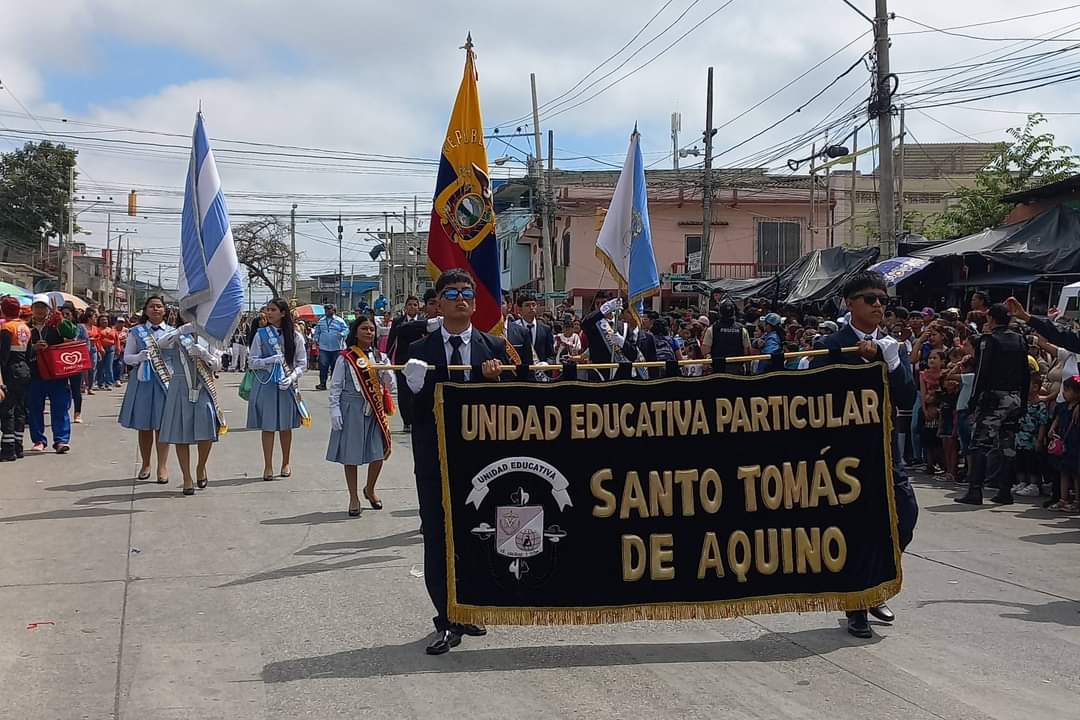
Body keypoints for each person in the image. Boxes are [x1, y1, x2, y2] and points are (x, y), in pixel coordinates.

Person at [402, 268, 509, 656]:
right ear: (438, 303)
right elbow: (410, 413)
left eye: (466, 293)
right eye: (451, 293)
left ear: (476, 303)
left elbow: (511, 410)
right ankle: (445, 618)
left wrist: (496, 383)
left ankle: (468, 608)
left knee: (477, 535)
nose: (460, 299)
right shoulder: (418, 350)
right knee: (437, 536)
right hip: (435, 459)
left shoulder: (493, 347)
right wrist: (416, 388)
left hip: (481, 464)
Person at [810, 271, 917, 639]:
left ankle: (876, 583)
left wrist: (892, 362)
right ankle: (857, 603)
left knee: (905, 516)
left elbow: (907, 397)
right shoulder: (831, 345)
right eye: (870, 299)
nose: (878, 306)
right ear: (850, 303)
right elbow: (816, 397)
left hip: (885, 449)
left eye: (883, 300)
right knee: (855, 528)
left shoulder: (893, 346)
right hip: (847, 452)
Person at [955, 304, 1030, 506]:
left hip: (994, 397)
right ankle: (1005, 491)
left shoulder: (989, 340)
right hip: (1015, 397)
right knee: (1008, 445)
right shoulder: (1019, 339)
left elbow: (982, 371)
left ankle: (975, 490)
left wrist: (973, 399)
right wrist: (1023, 400)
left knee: (979, 443)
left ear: (992, 319)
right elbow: (1025, 372)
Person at [327, 314, 395, 516]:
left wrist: (387, 373)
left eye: (372, 329)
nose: (369, 332)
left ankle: (370, 489)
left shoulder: (381, 357)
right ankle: (353, 497)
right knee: (351, 455)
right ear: (355, 332)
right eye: (364, 328)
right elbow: (336, 386)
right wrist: (334, 409)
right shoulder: (346, 357)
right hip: (351, 408)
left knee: (378, 453)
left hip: (374, 410)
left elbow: (391, 386)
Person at [156, 318, 224, 495]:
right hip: (180, 386)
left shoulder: (211, 337)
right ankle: (186, 477)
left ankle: (201, 466)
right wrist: (180, 331)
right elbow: (160, 344)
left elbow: (218, 365)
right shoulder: (178, 335)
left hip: (202, 385)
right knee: (181, 433)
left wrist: (204, 354)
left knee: (207, 429)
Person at [247, 298, 308, 481]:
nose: (269, 313)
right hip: (266, 384)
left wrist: (292, 377)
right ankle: (268, 465)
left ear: (283, 313)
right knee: (268, 426)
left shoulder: (295, 336)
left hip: (286, 384)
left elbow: (302, 363)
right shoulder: (260, 334)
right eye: (268, 309)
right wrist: (269, 360)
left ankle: (286, 462)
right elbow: (252, 361)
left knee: (285, 426)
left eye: (273, 309)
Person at [118, 296, 175, 482]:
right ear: (145, 310)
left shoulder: (173, 332)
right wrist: (139, 357)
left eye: (159, 306)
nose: (155, 309)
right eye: (152, 306)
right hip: (143, 381)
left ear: (165, 310)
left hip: (166, 382)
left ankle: (162, 467)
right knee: (144, 426)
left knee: (162, 426)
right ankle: (146, 463)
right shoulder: (136, 332)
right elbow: (127, 357)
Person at [26, 296, 76, 454]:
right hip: (34, 373)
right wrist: (33, 348)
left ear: (48, 309)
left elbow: (72, 333)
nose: (40, 310)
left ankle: (61, 440)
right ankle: (38, 440)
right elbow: (19, 349)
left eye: (43, 307)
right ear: (32, 309)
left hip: (56, 373)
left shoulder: (56, 325)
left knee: (60, 407)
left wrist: (60, 320)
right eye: (37, 307)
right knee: (34, 408)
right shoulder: (25, 327)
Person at [388, 290, 438, 432]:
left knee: (417, 391)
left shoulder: (424, 322)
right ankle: (406, 421)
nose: (412, 307)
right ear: (405, 307)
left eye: (415, 305)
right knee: (403, 391)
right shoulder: (398, 322)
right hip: (402, 361)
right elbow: (392, 340)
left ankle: (417, 418)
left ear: (419, 307)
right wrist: (387, 357)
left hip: (420, 361)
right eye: (409, 304)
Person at [0, 295, 31, 461]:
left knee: (7, 410)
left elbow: (3, 356)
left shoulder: (7, 328)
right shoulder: (25, 327)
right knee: (20, 409)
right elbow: (29, 353)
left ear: (3, 310)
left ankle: (8, 449)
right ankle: (18, 446)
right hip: (24, 370)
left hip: (10, 371)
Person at [702, 302, 751, 375]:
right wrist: (748, 371)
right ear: (734, 313)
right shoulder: (742, 330)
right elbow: (747, 352)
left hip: (717, 369)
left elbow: (706, 352)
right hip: (736, 369)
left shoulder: (712, 329)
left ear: (720, 313)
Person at [313, 303, 348, 391]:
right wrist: (316, 339)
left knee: (335, 367)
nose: (327, 311)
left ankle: (334, 384)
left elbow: (346, 329)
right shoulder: (321, 321)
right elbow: (317, 331)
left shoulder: (339, 320)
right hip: (324, 348)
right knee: (323, 366)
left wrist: (342, 334)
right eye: (326, 309)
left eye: (329, 309)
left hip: (336, 348)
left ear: (333, 310)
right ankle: (322, 384)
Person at [515, 291, 556, 364]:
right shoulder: (514, 328)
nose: (531, 308)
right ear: (520, 309)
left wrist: (546, 364)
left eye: (533, 305)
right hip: (521, 369)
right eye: (527, 305)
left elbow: (551, 356)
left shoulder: (546, 329)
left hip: (541, 369)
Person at [95, 314, 117, 390]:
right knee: (100, 367)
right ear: (99, 321)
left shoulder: (112, 329)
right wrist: (100, 349)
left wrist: (118, 349)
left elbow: (116, 339)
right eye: (102, 320)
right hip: (101, 350)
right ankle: (100, 383)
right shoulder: (97, 329)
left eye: (105, 320)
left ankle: (109, 383)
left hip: (111, 349)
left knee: (109, 367)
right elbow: (97, 340)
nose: (104, 321)